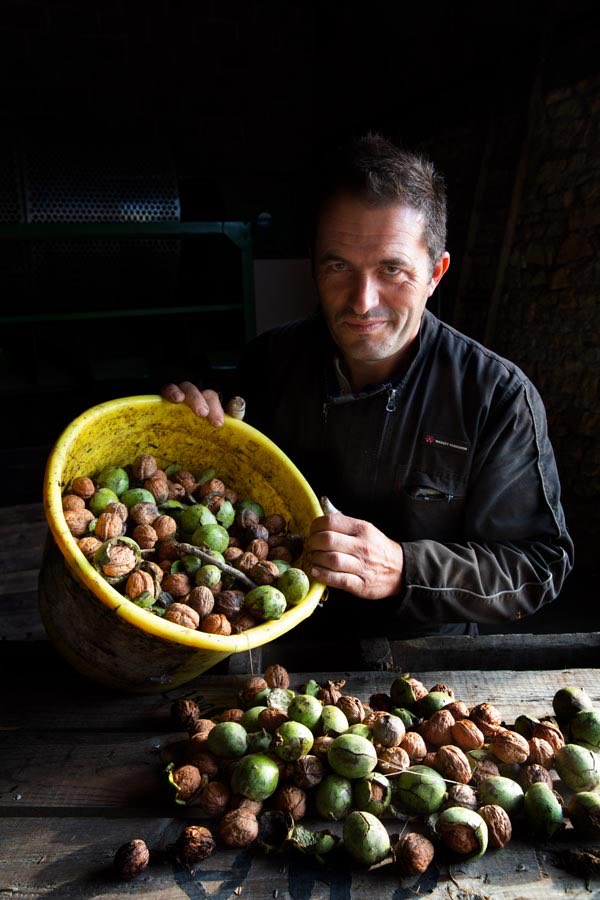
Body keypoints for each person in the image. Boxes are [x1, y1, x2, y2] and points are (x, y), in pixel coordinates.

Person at [161, 132, 573, 639]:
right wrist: (192, 432)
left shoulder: (496, 397)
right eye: (339, 267)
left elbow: (538, 565)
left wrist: (405, 567)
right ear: (315, 267)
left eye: (392, 269)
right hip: (276, 642)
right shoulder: (269, 362)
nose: (362, 301)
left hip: (427, 669)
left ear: (435, 274)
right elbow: (220, 497)